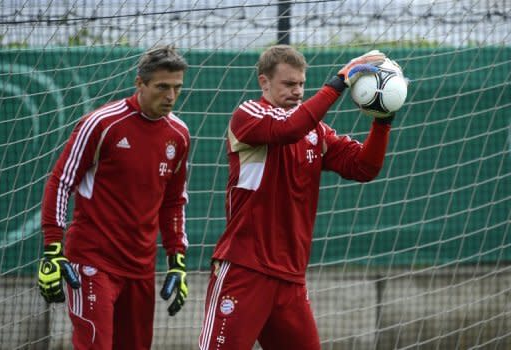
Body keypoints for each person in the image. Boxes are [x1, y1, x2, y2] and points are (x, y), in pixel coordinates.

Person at [198, 45, 395, 349]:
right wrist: (340, 81)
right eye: (288, 84)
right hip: (245, 268)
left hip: (290, 277)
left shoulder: (315, 132)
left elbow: (364, 167)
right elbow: (288, 128)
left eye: (301, 84)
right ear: (264, 82)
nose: (297, 91)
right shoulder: (248, 115)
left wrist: (382, 121)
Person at [37, 45, 190, 350]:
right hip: (93, 261)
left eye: (177, 88)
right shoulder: (101, 124)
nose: (171, 96)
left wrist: (177, 260)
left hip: (141, 267)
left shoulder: (180, 134)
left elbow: (174, 201)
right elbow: (61, 181)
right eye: (162, 87)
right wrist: (53, 249)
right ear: (140, 84)